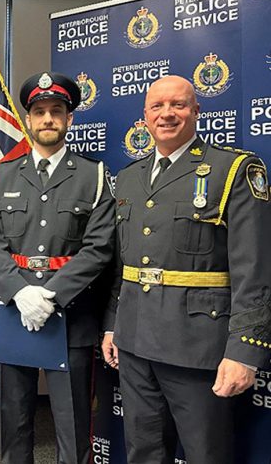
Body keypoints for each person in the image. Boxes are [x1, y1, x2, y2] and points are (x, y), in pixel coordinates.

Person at [102, 75, 271, 464]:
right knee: (143, 451)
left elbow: (255, 270)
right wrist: (113, 324)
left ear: (196, 111)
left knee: (205, 454)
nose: (167, 114)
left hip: (198, 346)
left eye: (178, 105)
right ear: (143, 117)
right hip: (134, 342)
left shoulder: (233, 170)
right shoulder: (128, 177)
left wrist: (245, 351)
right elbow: (123, 263)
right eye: (157, 107)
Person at [0, 72, 115, 464]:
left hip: (71, 317)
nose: (48, 119)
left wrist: (50, 296)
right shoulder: (3, 175)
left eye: (56, 111)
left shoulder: (94, 176)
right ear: (28, 120)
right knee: (13, 422)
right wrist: (20, 292)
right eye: (39, 112)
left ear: (69, 119)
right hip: (11, 311)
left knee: (72, 426)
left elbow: (99, 247)